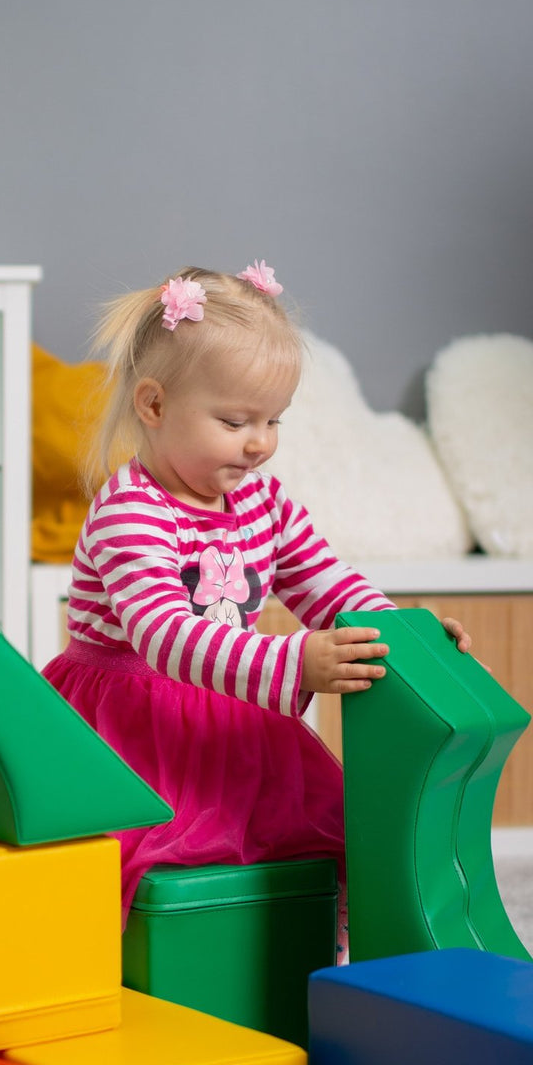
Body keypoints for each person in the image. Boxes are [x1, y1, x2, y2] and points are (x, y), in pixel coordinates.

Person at [42, 263, 473, 959]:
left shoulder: (263, 503)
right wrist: (296, 658)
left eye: (273, 420)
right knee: (156, 850)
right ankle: (154, 971)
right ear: (153, 407)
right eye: (235, 421)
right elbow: (163, 635)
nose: (260, 442)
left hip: (231, 707)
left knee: (333, 826)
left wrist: (406, 633)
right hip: (130, 723)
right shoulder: (131, 509)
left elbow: (328, 584)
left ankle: (319, 967)